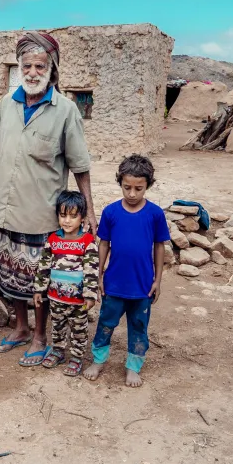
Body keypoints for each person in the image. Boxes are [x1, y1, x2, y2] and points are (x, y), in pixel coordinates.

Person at [0, 31, 96, 367]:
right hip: (7, 210)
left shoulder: (65, 110)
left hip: (42, 213)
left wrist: (90, 210)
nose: (32, 72)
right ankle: (20, 328)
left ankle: (40, 336)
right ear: (19, 68)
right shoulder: (6, 105)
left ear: (51, 69)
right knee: (11, 276)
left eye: (39, 66)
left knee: (41, 279)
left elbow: (80, 166)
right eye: (27, 66)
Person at [85, 154, 170, 387]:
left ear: (148, 186)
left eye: (138, 189)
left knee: (139, 327)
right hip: (114, 284)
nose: (132, 194)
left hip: (142, 286)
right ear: (120, 183)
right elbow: (104, 244)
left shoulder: (155, 214)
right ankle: (98, 360)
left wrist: (157, 280)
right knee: (105, 323)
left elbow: (159, 246)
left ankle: (133, 366)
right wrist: (99, 275)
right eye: (127, 187)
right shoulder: (111, 212)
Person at [32, 190, 99, 376]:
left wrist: (90, 295)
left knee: (79, 329)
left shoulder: (87, 242)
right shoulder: (53, 240)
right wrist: (38, 289)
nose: (67, 221)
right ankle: (58, 351)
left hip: (78, 301)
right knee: (57, 327)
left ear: (82, 217)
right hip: (56, 298)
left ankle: (77, 357)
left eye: (73, 216)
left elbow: (92, 270)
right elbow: (43, 266)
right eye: (63, 215)